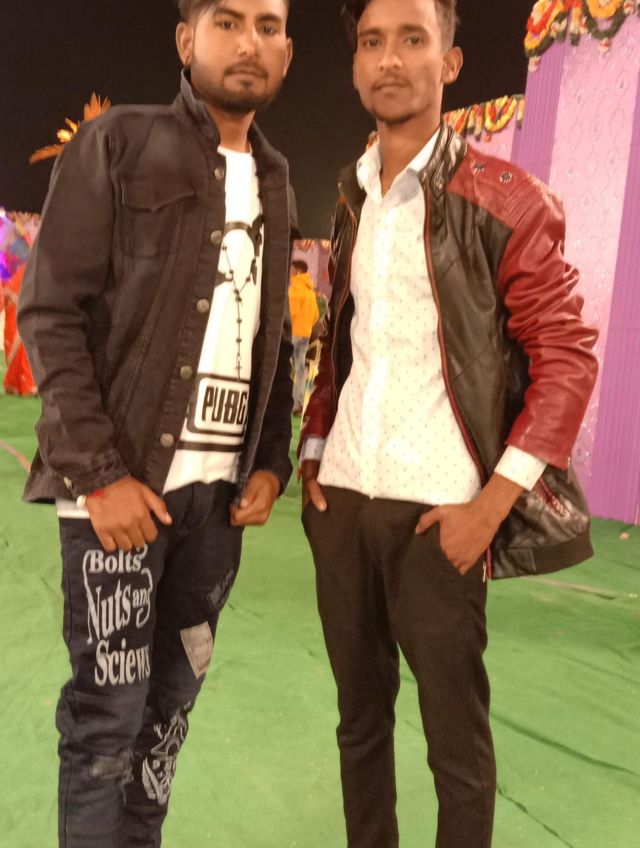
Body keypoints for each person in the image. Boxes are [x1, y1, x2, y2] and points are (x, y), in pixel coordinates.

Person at [299, 1, 599, 846]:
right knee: (359, 725)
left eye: (412, 39)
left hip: (441, 517)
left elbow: (566, 357)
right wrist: (315, 454)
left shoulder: (505, 199)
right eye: (372, 42)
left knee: (455, 750)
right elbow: (343, 340)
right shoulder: (351, 193)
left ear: (451, 61)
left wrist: (491, 507)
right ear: (356, 63)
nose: (389, 60)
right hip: (344, 503)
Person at [18, 1, 295, 845]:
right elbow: (50, 312)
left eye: (269, 26)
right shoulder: (118, 145)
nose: (249, 42)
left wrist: (271, 459)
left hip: (215, 513)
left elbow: (272, 332)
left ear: (287, 49)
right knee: (108, 721)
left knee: (168, 716)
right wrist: (100, 476)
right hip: (122, 495)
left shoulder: (277, 178)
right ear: (186, 39)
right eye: (227, 21)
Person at [288, 258, 319, 414]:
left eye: (291, 270)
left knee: (286, 368)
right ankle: (298, 403)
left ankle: (286, 402)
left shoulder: (295, 289)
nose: (290, 273)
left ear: (297, 272)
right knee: (300, 369)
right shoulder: (310, 292)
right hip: (305, 334)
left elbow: (290, 313)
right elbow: (316, 315)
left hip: (292, 333)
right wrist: (306, 326)